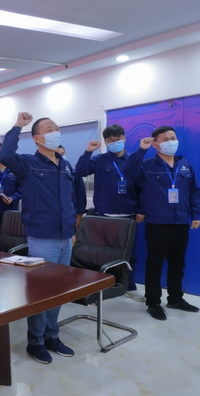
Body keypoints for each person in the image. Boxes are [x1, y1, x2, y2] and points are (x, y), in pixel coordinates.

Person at [0, 112, 77, 364]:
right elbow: (6, 155)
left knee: (59, 290)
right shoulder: (27, 163)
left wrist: (72, 231)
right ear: (37, 138)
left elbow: (70, 201)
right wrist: (17, 126)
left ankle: (52, 336)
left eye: (57, 128)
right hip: (43, 237)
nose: (56, 132)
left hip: (65, 236)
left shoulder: (65, 165)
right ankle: (35, 341)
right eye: (50, 129)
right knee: (41, 291)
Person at [123, 126, 200, 320]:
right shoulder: (147, 165)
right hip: (157, 223)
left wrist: (196, 214)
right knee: (155, 264)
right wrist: (141, 150)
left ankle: (175, 298)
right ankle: (153, 302)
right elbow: (127, 172)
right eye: (166, 139)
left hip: (180, 222)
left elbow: (194, 191)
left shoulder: (185, 165)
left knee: (177, 263)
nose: (171, 141)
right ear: (156, 144)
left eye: (173, 138)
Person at [74, 124, 145, 302]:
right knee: (101, 254)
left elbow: (142, 188)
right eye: (110, 140)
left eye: (118, 139)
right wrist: (88, 151)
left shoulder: (134, 160)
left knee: (130, 254)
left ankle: (129, 287)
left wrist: (141, 211)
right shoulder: (99, 160)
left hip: (129, 216)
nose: (114, 142)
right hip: (103, 215)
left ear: (124, 138)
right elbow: (80, 172)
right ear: (105, 142)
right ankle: (102, 285)